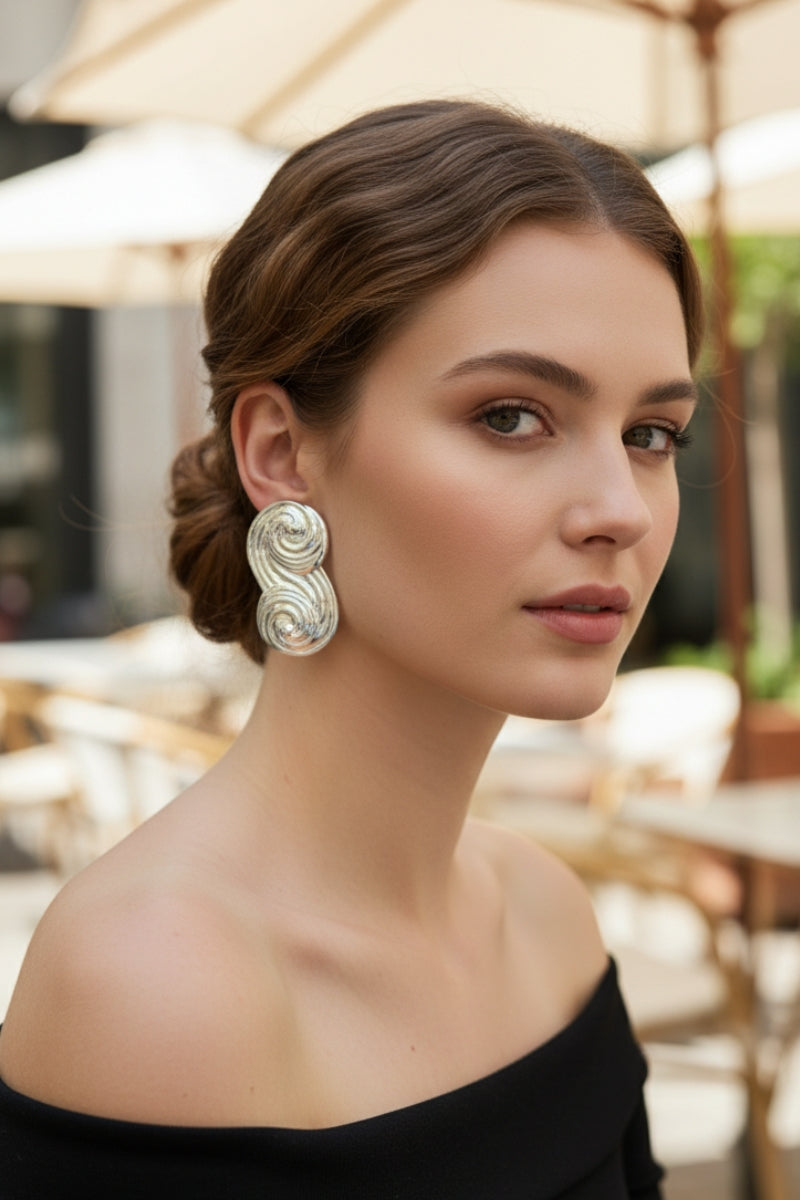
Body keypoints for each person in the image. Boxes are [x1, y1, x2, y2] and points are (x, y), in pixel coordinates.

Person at [0, 99, 701, 1198]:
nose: (618, 507)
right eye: (511, 416)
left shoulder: (549, 917)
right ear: (281, 451)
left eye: (650, 433)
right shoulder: (157, 987)